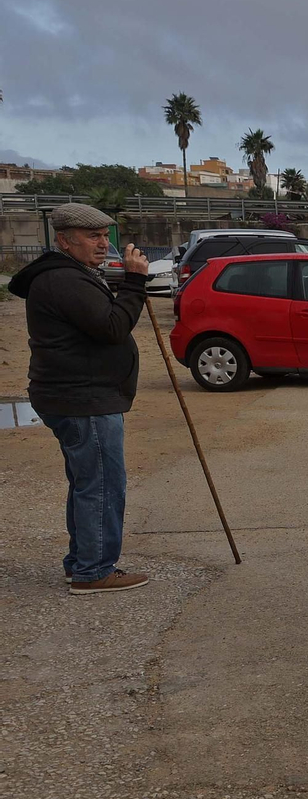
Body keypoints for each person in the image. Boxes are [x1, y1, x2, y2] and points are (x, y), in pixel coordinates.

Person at [10, 203, 151, 594]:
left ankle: (81, 563)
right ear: (64, 241)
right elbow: (111, 327)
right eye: (93, 236)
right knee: (102, 484)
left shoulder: (69, 274)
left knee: (88, 482)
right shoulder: (64, 280)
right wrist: (135, 283)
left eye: (106, 235)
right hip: (83, 398)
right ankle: (94, 571)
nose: (103, 243)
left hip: (78, 395)